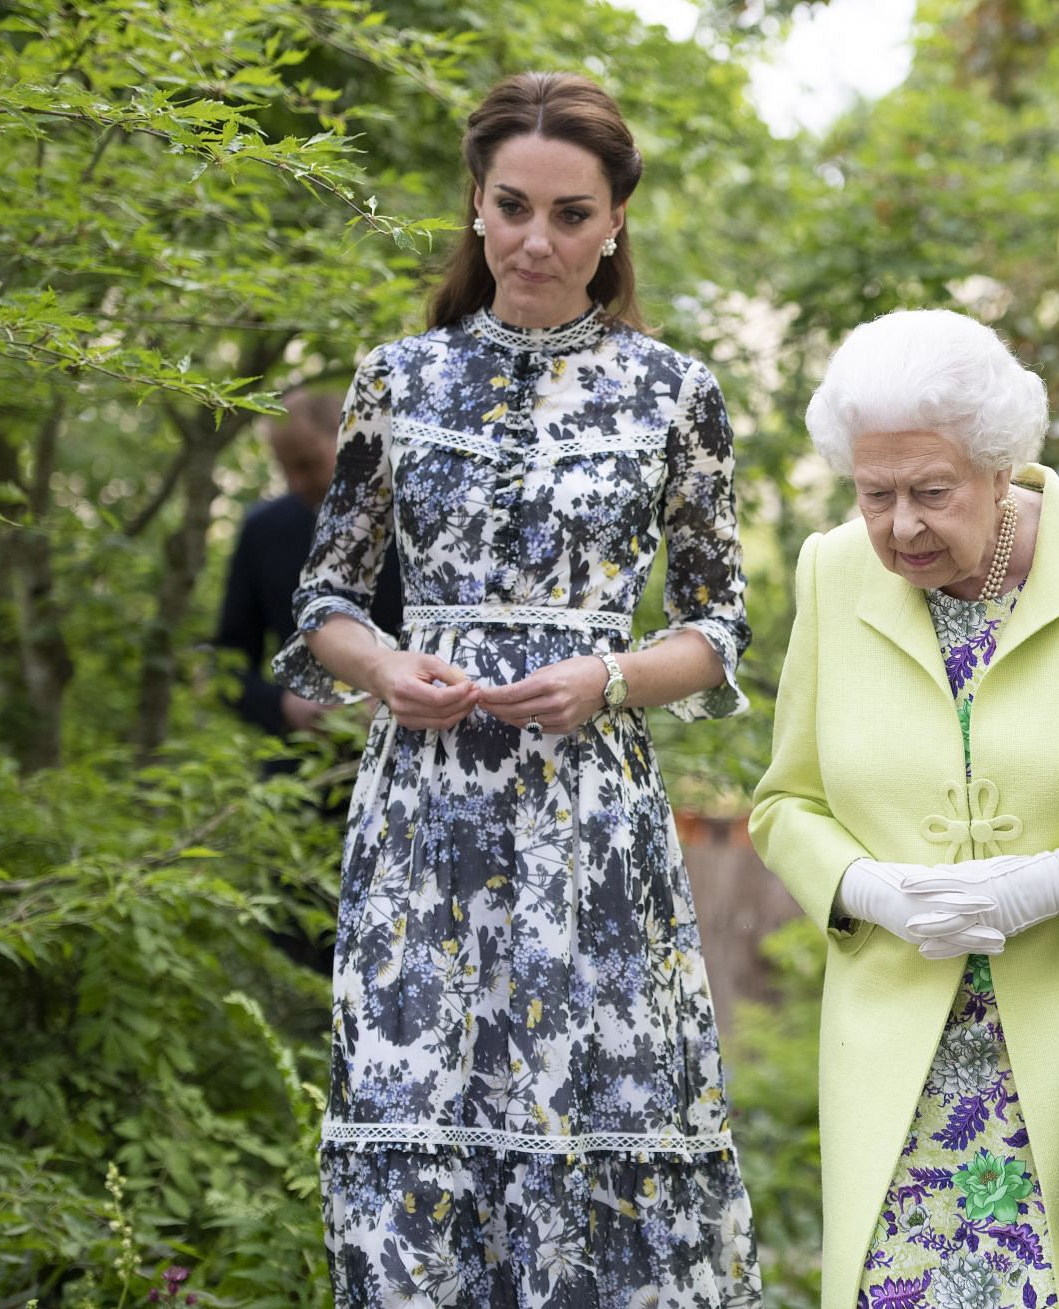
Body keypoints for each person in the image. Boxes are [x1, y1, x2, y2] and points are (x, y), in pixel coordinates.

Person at [273, 72, 759, 1307]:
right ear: (475, 207)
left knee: (600, 1139)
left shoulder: (675, 395)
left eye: (572, 214)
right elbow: (323, 600)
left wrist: (609, 675)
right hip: (424, 826)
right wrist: (383, 665)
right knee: (415, 1136)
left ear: (615, 225)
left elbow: (716, 628)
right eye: (514, 206)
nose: (539, 239)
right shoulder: (397, 381)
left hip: (591, 833)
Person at [749, 309, 1059, 1309]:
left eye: (930, 491)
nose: (900, 526)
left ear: (1000, 466)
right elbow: (786, 803)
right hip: (906, 1073)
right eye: (874, 493)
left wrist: (1052, 883)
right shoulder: (830, 570)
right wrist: (866, 887)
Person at [213, 388, 401, 739]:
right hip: (300, 765)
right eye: (284, 468)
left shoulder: (413, 523)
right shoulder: (264, 531)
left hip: (410, 751)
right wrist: (284, 705)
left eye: (306, 464)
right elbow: (226, 662)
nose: (295, 483)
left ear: (350, 436)